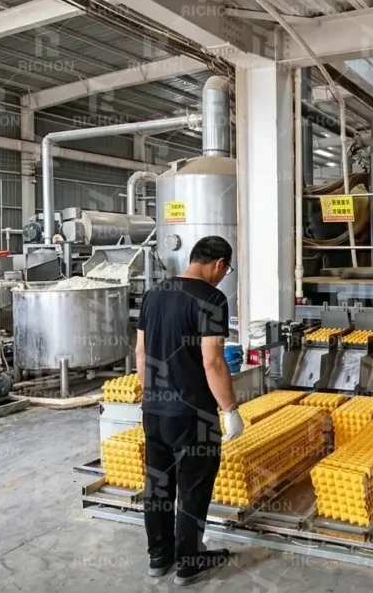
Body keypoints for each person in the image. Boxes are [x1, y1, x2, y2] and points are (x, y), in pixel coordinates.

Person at [135, 235, 244, 586]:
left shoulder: (154, 294)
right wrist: (230, 409)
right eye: (225, 270)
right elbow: (212, 362)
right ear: (219, 264)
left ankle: (159, 557)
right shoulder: (212, 298)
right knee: (193, 488)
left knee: (159, 486)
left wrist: (151, 394)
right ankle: (189, 562)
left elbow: (140, 354)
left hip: (154, 410)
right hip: (193, 415)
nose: (222, 276)